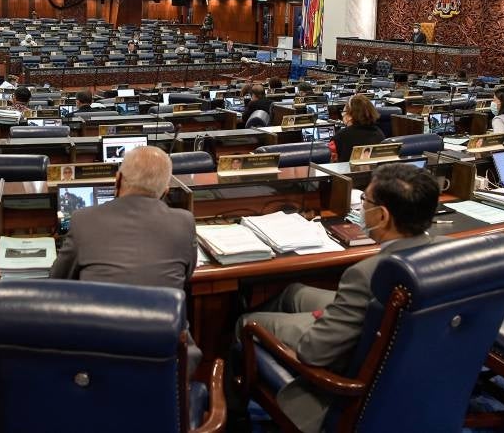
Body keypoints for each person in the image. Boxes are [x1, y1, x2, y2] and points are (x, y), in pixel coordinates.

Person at [234, 164, 441, 433]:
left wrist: (320, 321)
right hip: (397, 345)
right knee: (293, 293)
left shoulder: (366, 274)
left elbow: (314, 352)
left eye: (364, 200)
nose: (361, 207)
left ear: (382, 215)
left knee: (246, 322)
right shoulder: (448, 251)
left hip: (349, 370)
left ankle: (233, 414)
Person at [50, 146, 199, 366]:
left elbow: (58, 282)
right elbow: (186, 275)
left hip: (96, 362)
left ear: (117, 179)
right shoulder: (185, 222)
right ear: (166, 191)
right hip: (165, 362)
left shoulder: (83, 219)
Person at [331, 94, 384, 161]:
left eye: (344, 112)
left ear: (350, 116)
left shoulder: (340, 136)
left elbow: (332, 162)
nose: (342, 115)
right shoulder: (379, 133)